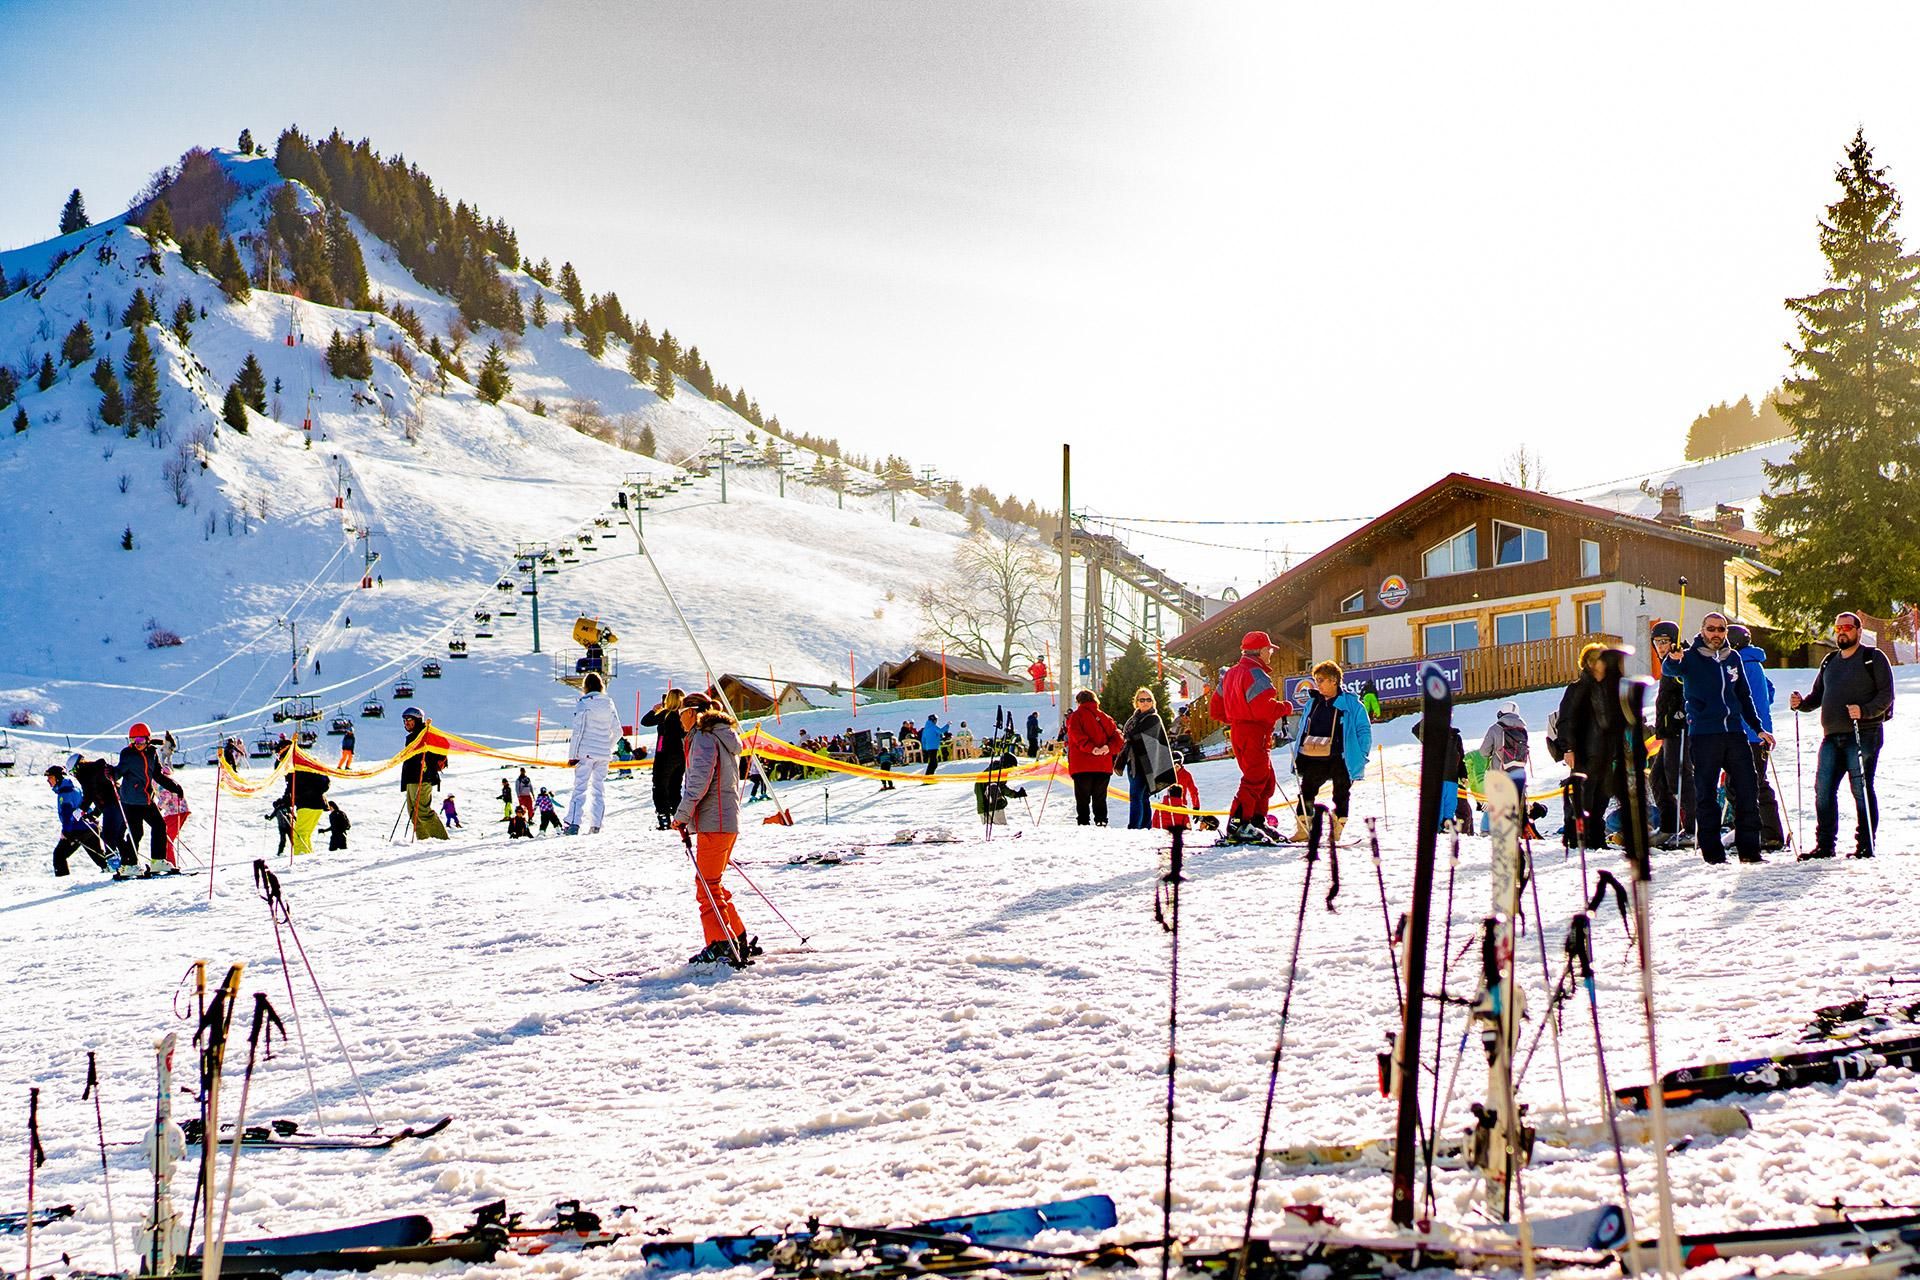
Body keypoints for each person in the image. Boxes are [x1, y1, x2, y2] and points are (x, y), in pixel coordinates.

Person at [1660, 612, 1774, 865]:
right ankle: (1713, 854)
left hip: (1734, 733)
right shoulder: (1689, 657)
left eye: (1721, 629)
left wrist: (1758, 728)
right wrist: (1672, 658)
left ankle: (1750, 851)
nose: (1716, 634)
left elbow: (1744, 696)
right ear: (1702, 631)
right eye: (1711, 629)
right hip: (1704, 734)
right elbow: (1670, 669)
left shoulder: (1733, 658)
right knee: (1706, 794)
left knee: (1748, 789)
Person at [1791, 610, 1896, 859]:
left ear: (1859, 631)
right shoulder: (1829, 661)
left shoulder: (1873, 658)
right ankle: (1825, 846)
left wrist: (1864, 711)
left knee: (1860, 788)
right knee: (1823, 790)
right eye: (1838, 628)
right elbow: (1817, 696)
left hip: (1863, 733)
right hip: (1831, 736)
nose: (1842, 632)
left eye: (1847, 628)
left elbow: (1886, 695)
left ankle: (1865, 845)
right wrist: (1801, 704)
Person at [673, 693, 757, 966]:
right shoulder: (721, 735)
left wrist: (681, 815)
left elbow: (699, 781)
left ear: (692, 712)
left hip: (715, 820)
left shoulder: (704, 737)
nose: (679, 719)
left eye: (680, 713)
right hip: (725, 820)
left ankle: (722, 943)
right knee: (712, 884)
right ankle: (737, 938)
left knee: (706, 886)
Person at [1208, 631, 1290, 842]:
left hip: (1239, 732)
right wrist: (1285, 707)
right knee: (1256, 779)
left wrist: (1237, 715)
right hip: (1255, 733)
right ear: (1261, 650)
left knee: (1266, 780)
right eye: (1269, 649)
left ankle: (1256, 821)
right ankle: (1238, 824)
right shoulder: (1256, 674)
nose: (1270, 653)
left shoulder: (1230, 674)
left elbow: (1215, 710)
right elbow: (1264, 709)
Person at [1290, 661, 1372, 846]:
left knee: (1341, 793)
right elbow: (1303, 727)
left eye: (1321, 680)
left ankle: (1336, 830)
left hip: (1341, 757)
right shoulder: (1313, 702)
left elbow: (1364, 730)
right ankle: (1303, 829)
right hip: (1314, 756)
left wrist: (1362, 754)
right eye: (1316, 680)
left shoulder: (1351, 703)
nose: (1317, 684)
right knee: (1306, 790)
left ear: (1334, 680)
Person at [1556, 643, 1625, 851]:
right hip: (1583, 754)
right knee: (1584, 799)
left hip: (1607, 754)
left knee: (1602, 798)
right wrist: (1568, 748)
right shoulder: (1576, 688)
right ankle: (1577, 838)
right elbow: (1565, 721)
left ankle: (1596, 839)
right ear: (1590, 663)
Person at [1726, 623, 1786, 852]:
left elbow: (1732, 696)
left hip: (1749, 734)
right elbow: (1769, 690)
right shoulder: (1754, 663)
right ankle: (1760, 832)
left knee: (1748, 786)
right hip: (1756, 734)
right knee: (1749, 784)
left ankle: (1766, 835)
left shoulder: (1739, 664)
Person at [1648, 621, 1695, 850]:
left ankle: (1694, 828)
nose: (1660, 646)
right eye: (1657, 642)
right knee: (1657, 777)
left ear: (1674, 641)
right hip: (1669, 730)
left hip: (1682, 728)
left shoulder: (1682, 658)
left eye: (1665, 642)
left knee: (1680, 776)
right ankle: (1669, 826)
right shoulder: (1666, 662)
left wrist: (1682, 711)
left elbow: (1688, 683)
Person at [117, 723, 185, 875]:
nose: (137, 744)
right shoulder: (127, 754)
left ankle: (157, 861)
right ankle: (129, 865)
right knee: (136, 832)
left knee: (159, 826)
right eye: (133, 740)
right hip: (130, 801)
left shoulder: (152, 753)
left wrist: (174, 786)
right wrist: (110, 772)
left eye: (140, 740)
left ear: (148, 739)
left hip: (146, 799)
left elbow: (158, 775)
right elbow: (118, 772)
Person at [565, 671, 620, 835]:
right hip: (603, 755)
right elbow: (618, 731)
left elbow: (578, 732)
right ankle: (596, 825)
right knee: (598, 789)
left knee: (580, 789)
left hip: (585, 753)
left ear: (585, 687)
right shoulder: (609, 703)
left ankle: (573, 824)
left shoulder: (583, 704)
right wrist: (607, 747)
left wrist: (572, 756)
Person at [1064, 688, 1125, 826]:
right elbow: (1118, 737)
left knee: (1082, 797)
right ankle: (1101, 821)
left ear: (1078, 702)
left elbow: (1076, 736)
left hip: (1081, 765)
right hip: (1103, 765)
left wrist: (1092, 748)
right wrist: (1107, 748)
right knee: (1100, 796)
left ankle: (1083, 823)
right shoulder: (1105, 717)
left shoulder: (1076, 716)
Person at [1120, 687, 1178, 830]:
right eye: (1142, 700)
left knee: (1136, 796)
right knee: (1142, 797)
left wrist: (1128, 737)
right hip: (1133, 762)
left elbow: (1137, 736)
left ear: (1153, 702)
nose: (1145, 702)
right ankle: (1145, 827)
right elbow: (1128, 737)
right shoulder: (1132, 720)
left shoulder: (1153, 719)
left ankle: (1134, 827)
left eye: (1148, 699)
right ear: (1136, 702)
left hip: (1148, 764)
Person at [46, 765, 112, 877]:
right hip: (89, 826)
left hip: (78, 829)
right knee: (98, 855)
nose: (48, 780)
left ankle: (62, 881)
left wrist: (66, 832)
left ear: (58, 778)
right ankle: (111, 868)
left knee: (59, 855)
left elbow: (68, 815)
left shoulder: (65, 793)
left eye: (50, 777)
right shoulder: (73, 788)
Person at [399, 707, 450, 840]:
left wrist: (428, 762)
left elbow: (444, 745)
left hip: (422, 777)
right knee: (413, 813)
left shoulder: (426, 733)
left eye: (409, 719)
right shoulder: (412, 736)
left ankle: (442, 840)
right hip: (411, 778)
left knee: (423, 812)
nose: (406, 723)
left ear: (417, 719)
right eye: (404, 720)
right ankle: (425, 842)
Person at [1479, 700, 1531, 827]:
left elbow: (1484, 752)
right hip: (1519, 773)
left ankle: (1487, 830)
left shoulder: (1495, 728)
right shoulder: (1523, 729)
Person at [642, 688, 688, 830]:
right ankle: (678, 817)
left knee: (660, 786)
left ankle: (664, 817)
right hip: (681, 755)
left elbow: (645, 721)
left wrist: (654, 710)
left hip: (664, 755)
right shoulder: (684, 715)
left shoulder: (665, 714)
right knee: (675, 787)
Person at [1412, 717, 1467, 834]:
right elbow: (1416, 729)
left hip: (1452, 777)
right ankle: (1437, 828)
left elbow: (1461, 759)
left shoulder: (1456, 737)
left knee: (1450, 804)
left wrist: (1463, 775)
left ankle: (1446, 825)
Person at [279, 743, 331, 858]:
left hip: (308, 804)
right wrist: (284, 800)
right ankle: (308, 858)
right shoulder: (306, 766)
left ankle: (301, 859)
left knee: (299, 835)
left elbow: (293, 789)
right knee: (305, 835)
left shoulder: (296, 769)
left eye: (281, 759)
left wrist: (285, 800)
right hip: (316, 804)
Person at [974, 751, 1028, 831]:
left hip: (982, 807)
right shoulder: (999, 772)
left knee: (990, 830)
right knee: (1001, 829)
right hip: (994, 805)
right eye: (1011, 767)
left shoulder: (990, 770)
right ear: (1007, 765)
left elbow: (978, 788)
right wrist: (1016, 794)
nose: (1011, 770)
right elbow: (1001, 787)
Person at [1151, 753, 1201, 833]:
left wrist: (1196, 808)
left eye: (1177, 765)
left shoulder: (1186, 775)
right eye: (1173, 765)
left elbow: (1193, 792)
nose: (1175, 768)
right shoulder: (1168, 773)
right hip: (1167, 805)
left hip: (1180, 806)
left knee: (1182, 829)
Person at [266, 794, 294, 859]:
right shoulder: (277, 809)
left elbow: (292, 814)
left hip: (287, 826)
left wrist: (293, 818)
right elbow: (270, 818)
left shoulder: (284, 807)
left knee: (290, 839)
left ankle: (295, 850)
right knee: (284, 840)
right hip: (283, 827)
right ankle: (280, 853)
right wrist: (267, 817)